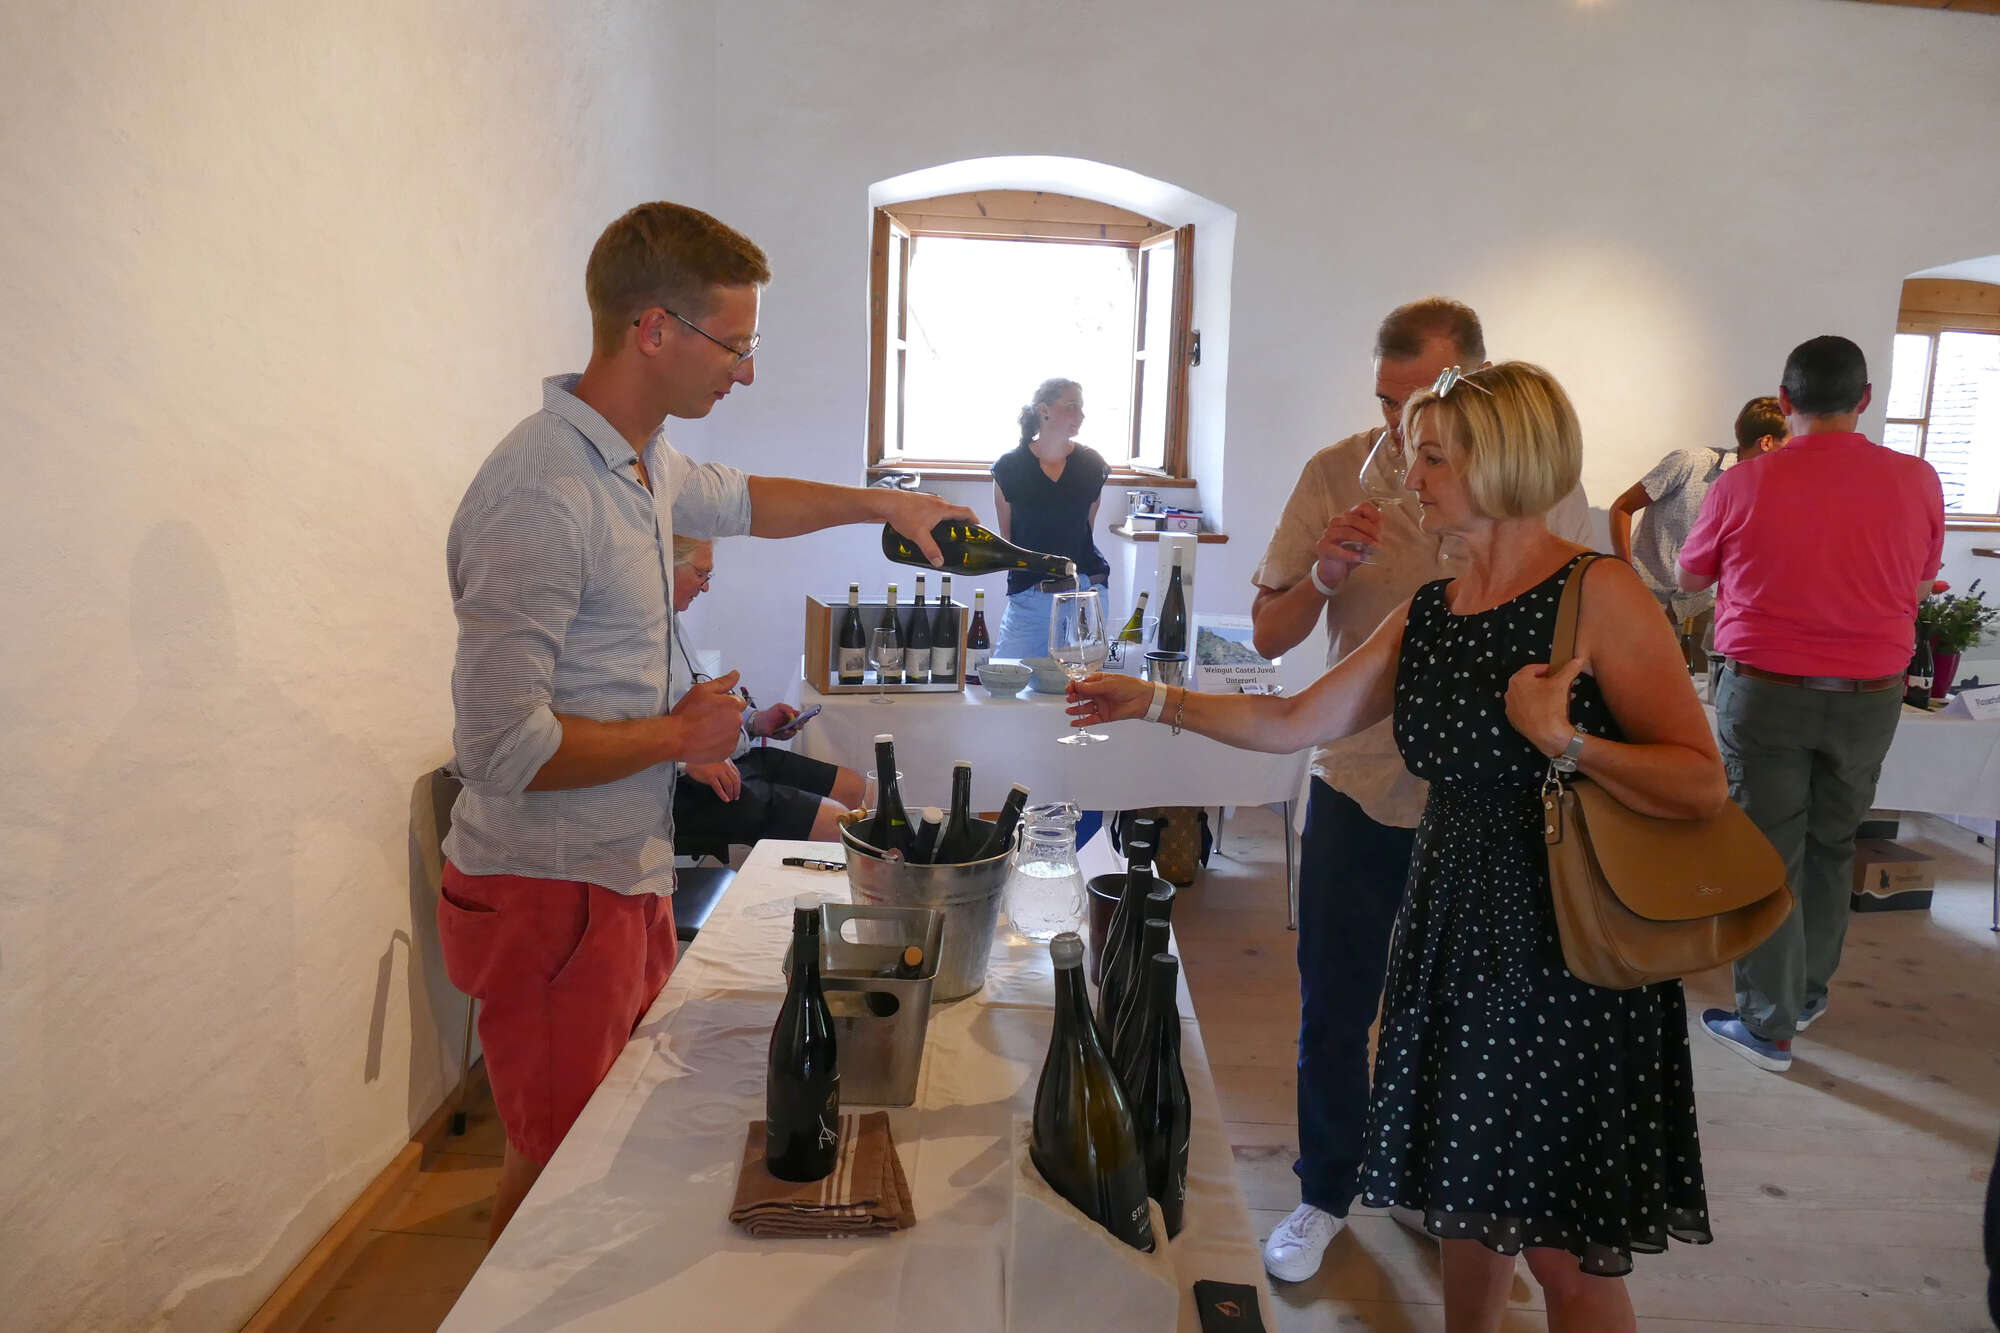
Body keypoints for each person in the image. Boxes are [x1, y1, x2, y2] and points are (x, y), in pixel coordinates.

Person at [1076, 361, 1719, 1332]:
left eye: (1432, 458)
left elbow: (1699, 779)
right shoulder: (1433, 608)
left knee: (1560, 1251)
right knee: (1466, 1211)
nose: (1409, 478)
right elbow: (1293, 719)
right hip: (1451, 934)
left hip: (1560, 954)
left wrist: (1567, 742)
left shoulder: (1599, 593)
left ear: (1501, 464)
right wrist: (1154, 698)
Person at [440, 201, 971, 1242]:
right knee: (553, 1170)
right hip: (550, 888)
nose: (747, 370)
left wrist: (884, 505)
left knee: (601, 1148)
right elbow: (498, 750)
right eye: (735, 344)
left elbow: (747, 500)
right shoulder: (540, 494)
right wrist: (676, 739)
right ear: (654, 329)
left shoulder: (641, 462)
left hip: (621, 864)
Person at [1245, 297, 1594, 1284]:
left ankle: (1433, 1184)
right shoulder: (1336, 472)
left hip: (1491, 798)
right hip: (1359, 780)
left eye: (1422, 403)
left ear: (1476, 381)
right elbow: (1267, 636)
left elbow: (1587, 623)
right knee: (1334, 1000)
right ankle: (1323, 1190)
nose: (1400, 430)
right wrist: (1322, 573)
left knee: (1465, 1014)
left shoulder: (1542, 484)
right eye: (1385, 403)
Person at [1679, 336, 1944, 1073]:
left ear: (1784, 401)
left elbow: (1690, 577)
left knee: (1768, 852)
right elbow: (1922, 587)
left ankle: (1768, 1025)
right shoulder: (1918, 479)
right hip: (1872, 694)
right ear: (1864, 400)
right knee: (1833, 843)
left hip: (1766, 692)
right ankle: (1804, 994)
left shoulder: (1743, 483)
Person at [667, 536, 864, 843]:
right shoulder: (634, 639)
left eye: (708, 576)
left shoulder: (672, 622)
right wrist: (685, 761)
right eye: (700, 574)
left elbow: (699, 696)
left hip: (734, 758)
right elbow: (634, 734)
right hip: (688, 781)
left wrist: (756, 721)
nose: (705, 587)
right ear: (666, 567)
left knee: (853, 787)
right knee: (836, 823)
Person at [1609, 396, 1788, 632]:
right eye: (1790, 443)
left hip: (1696, 608)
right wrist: (1625, 574)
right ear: (1766, 442)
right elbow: (1622, 507)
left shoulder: (1765, 494)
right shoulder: (1689, 463)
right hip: (1641, 601)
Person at [991, 378, 1111, 659]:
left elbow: (1084, 531)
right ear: (1044, 410)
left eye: (1081, 407)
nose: (1080, 415)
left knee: (1081, 682)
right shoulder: (1009, 468)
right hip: (1030, 599)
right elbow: (1010, 542)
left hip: (1085, 594)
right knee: (1006, 676)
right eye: (1072, 406)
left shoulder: (1091, 465)